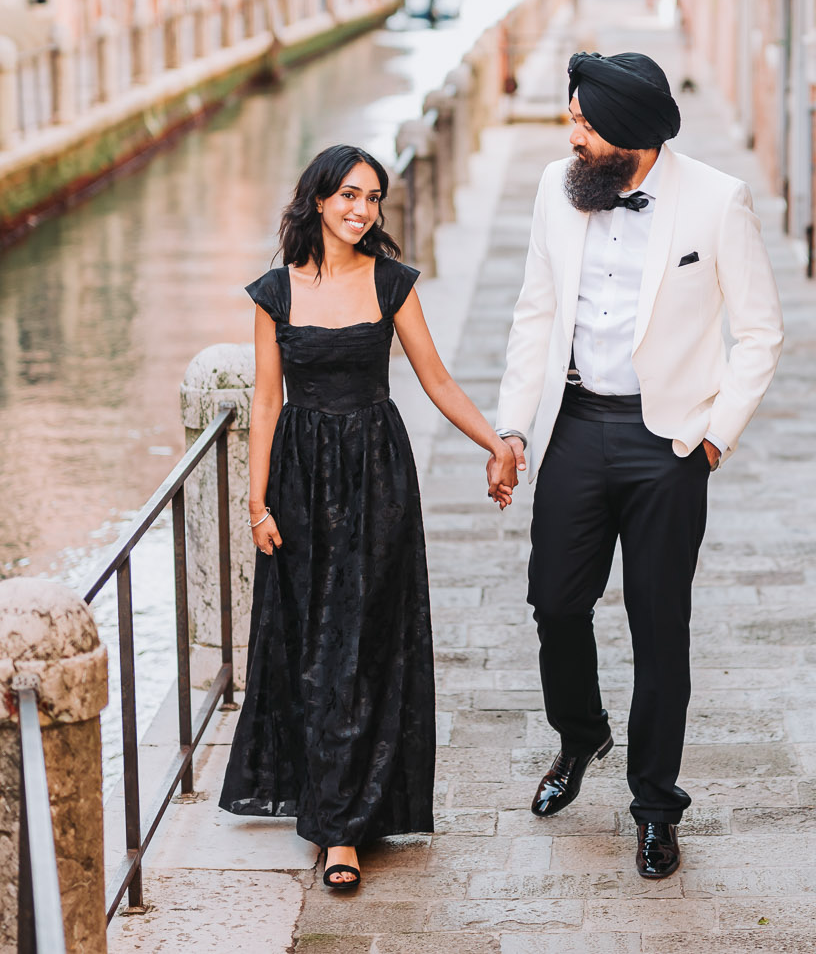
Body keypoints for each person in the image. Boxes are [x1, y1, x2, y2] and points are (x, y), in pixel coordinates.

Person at [496, 52, 783, 879]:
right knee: (555, 602)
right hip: (578, 426)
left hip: (669, 446)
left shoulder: (718, 201)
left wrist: (716, 434)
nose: (571, 132)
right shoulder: (560, 187)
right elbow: (534, 313)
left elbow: (760, 332)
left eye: (584, 122)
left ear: (628, 135)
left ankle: (656, 804)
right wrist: (515, 428)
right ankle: (580, 732)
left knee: (661, 632)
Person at [219, 144, 516, 893]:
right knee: (314, 649)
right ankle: (332, 813)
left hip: (377, 477)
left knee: (368, 644)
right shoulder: (274, 293)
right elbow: (264, 401)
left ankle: (346, 829)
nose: (363, 210)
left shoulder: (391, 282)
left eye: (374, 197)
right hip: (298, 479)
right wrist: (256, 504)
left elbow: (437, 378)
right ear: (318, 200)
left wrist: (498, 444)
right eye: (349, 195)